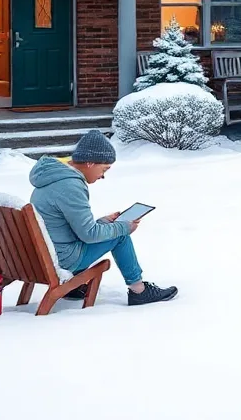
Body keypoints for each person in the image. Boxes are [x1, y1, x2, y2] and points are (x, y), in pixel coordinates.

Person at [29, 129, 177, 306]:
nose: (103, 176)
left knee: (115, 230)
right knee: (120, 235)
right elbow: (89, 235)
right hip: (65, 259)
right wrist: (124, 227)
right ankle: (139, 291)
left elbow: (67, 226)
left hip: (43, 254)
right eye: (104, 168)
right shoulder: (70, 185)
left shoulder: (51, 178)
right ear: (90, 163)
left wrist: (104, 222)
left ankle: (74, 286)